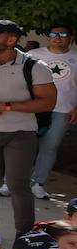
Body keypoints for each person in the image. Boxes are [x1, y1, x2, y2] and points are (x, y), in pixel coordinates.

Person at [0, 19, 56, 239]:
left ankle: (25, 236)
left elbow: (48, 102)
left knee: (17, 184)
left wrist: (4, 106)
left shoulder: (35, 67)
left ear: (11, 40)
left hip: (21, 134)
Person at [30, 21, 77, 200]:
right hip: (34, 107)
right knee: (23, 146)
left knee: (50, 147)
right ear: (48, 37)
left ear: (70, 38)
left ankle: (38, 183)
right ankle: (11, 182)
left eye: (63, 35)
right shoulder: (33, 55)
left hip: (63, 109)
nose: (58, 38)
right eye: (54, 34)